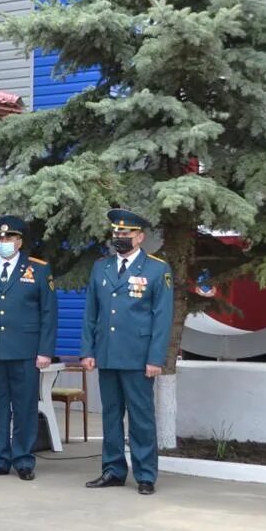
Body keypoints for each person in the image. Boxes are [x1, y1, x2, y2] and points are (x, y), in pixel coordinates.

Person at [81, 208, 173, 495]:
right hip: (107, 354)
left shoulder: (157, 269)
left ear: (140, 237)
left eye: (126, 233)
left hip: (138, 357)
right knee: (110, 415)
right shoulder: (102, 267)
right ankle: (113, 470)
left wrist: (155, 358)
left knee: (141, 417)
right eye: (116, 232)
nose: (119, 237)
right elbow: (91, 313)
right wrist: (88, 350)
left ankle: (146, 475)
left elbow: (162, 317)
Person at [0, 216, 57, 480]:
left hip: (26, 351)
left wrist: (45, 350)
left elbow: (49, 313)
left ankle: (24, 460)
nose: (2, 242)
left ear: (19, 241)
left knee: (25, 405)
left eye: (8, 238)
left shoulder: (38, 270)